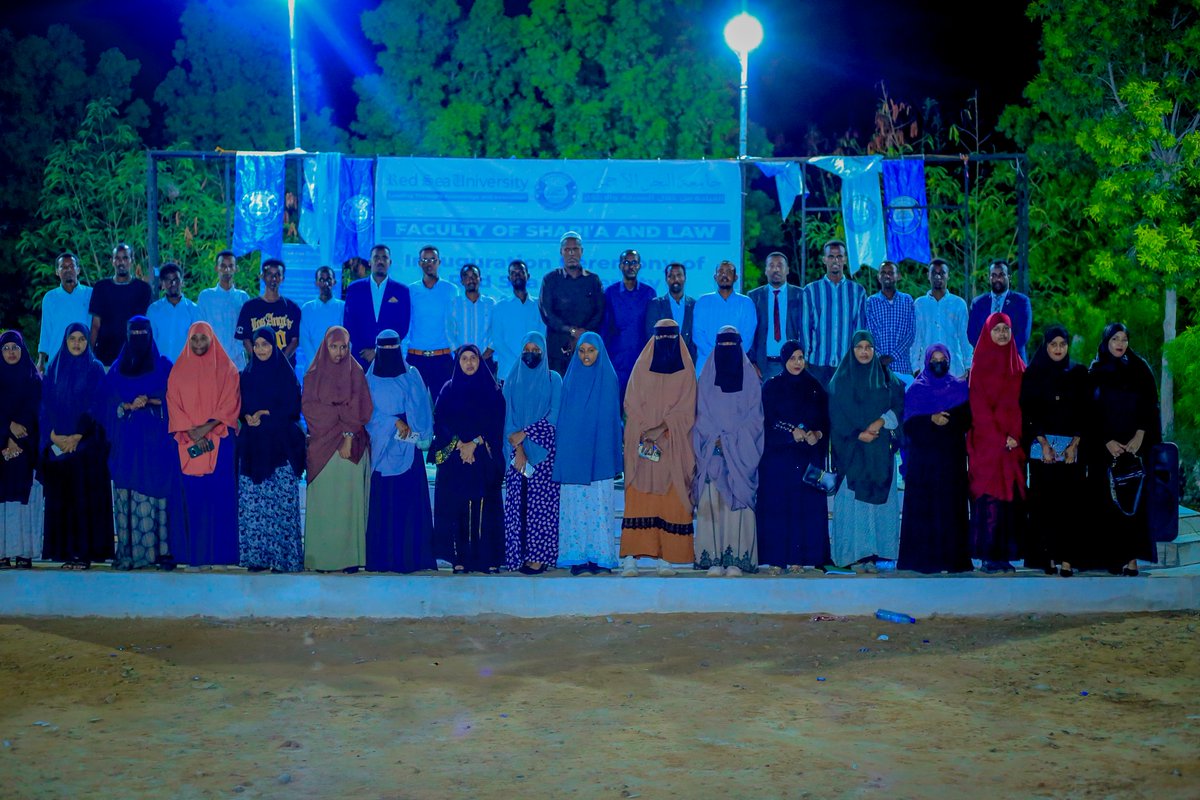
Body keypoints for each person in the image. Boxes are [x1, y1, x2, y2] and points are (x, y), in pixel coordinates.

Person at [620, 319, 697, 577]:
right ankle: (630, 558)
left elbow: (687, 409)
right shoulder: (642, 366)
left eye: (670, 338)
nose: (665, 342)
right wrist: (646, 432)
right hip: (644, 445)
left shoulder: (686, 369)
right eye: (661, 337)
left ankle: (667, 558)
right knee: (638, 501)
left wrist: (662, 429)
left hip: (673, 445)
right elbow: (631, 404)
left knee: (670, 501)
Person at [100, 317, 177, 570]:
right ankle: (129, 553)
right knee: (127, 493)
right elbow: (106, 403)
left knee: (155, 493)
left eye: (143, 334)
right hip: (126, 445)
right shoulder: (117, 369)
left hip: (156, 445)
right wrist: (124, 405)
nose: (138, 339)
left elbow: (176, 400)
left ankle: (160, 553)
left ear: (151, 334)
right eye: (134, 334)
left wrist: (151, 401)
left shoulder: (164, 366)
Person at [1086, 322, 1161, 576]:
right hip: (1105, 449)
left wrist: (1141, 434)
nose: (1120, 344)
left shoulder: (1139, 369)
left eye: (1124, 339)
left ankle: (1132, 559)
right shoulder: (1095, 371)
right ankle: (1112, 557)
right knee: (1108, 503)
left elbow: (1151, 406)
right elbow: (1089, 413)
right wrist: (1106, 441)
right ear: (1106, 341)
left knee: (1133, 503)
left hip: (1133, 448)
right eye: (1115, 339)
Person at [828, 330, 905, 572]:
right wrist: (857, 434)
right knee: (854, 508)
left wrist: (880, 422)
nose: (864, 352)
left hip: (878, 453)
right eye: (859, 347)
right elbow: (835, 416)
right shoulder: (841, 380)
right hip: (852, 453)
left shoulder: (885, 376)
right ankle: (853, 556)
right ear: (852, 350)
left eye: (869, 347)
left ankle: (874, 555)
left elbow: (898, 404)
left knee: (876, 510)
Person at [166, 321, 241, 568]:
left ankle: (220, 556)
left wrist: (205, 429)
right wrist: (191, 430)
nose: (199, 344)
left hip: (219, 442)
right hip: (189, 442)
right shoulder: (178, 370)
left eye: (203, 339)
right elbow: (173, 403)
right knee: (194, 499)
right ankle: (194, 556)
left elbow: (230, 402)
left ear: (212, 339)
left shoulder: (227, 369)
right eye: (194, 339)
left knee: (219, 498)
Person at [39, 323, 113, 569]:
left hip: (86, 446)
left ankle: (83, 554)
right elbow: (45, 404)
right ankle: (64, 552)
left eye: (82, 339)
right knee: (62, 498)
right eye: (73, 339)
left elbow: (98, 404)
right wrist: (53, 435)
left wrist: (78, 435)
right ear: (66, 341)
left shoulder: (94, 368)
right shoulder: (55, 367)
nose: (77, 343)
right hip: (59, 444)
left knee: (83, 499)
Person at [692, 327, 763, 576]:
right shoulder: (707, 376)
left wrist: (731, 441)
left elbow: (755, 420)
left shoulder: (750, 379)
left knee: (737, 501)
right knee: (713, 500)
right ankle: (713, 558)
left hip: (741, 455)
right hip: (713, 451)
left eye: (732, 345)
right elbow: (701, 415)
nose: (727, 350)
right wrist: (717, 440)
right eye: (723, 344)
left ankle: (737, 559)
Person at [896, 345, 973, 574]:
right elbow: (909, 425)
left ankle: (952, 561)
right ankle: (924, 562)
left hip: (951, 461)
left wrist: (946, 422)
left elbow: (966, 420)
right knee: (924, 510)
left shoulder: (959, 387)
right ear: (927, 361)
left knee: (951, 509)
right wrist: (931, 419)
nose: (938, 363)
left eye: (943, 359)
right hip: (924, 463)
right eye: (934, 359)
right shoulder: (916, 389)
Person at [302, 326, 373, 573]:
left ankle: (349, 559)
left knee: (347, 505)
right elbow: (310, 410)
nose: (339, 352)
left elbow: (362, 409)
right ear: (325, 347)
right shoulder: (313, 375)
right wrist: (342, 414)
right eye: (334, 346)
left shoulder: (356, 372)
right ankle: (321, 559)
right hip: (322, 447)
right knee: (325, 505)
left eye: (343, 347)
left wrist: (348, 435)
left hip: (349, 448)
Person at [430, 344, 506, 573]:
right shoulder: (448, 390)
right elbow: (440, 421)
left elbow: (496, 424)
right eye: (464, 359)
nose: (469, 363)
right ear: (458, 362)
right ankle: (459, 557)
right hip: (456, 457)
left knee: (485, 505)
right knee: (458, 505)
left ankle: (487, 557)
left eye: (473, 358)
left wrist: (474, 443)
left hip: (482, 456)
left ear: (480, 361)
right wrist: (461, 445)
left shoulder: (492, 390)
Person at [364, 330, 435, 574]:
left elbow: (423, 409)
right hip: (382, 448)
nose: (389, 353)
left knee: (408, 503)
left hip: (408, 447)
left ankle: (411, 559)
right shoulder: (369, 379)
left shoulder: (412, 374)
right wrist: (392, 422)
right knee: (384, 504)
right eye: (384, 348)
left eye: (393, 348)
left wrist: (411, 424)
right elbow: (366, 412)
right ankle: (383, 559)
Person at [236, 326, 306, 573]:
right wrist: (247, 416)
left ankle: (282, 559)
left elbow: (293, 407)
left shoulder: (284, 374)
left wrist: (267, 414)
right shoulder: (246, 375)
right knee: (255, 505)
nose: (261, 349)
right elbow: (240, 405)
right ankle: (257, 558)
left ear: (274, 346)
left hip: (280, 448)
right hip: (254, 448)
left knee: (280, 504)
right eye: (257, 345)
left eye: (265, 344)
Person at [1020, 325, 1088, 577]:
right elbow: (1028, 410)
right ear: (1046, 346)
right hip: (1043, 450)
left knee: (1069, 506)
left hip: (1072, 450)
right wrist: (1044, 444)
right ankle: (1046, 557)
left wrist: (1074, 444)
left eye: (1062, 344)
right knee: (1044, 504)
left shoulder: (1078, 373)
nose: (1058, 349)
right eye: (1053, 344)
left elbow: (1086, 411)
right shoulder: (1034, 374)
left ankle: (1068, 560)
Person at [756, 341, 831, 573]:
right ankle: (777, 560)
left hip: (807, 459)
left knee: (803, 507)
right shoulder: (772, 387)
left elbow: (825, 422)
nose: (797, 363)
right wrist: (790, 434)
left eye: (800, 358)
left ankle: (799, 558)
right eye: (792, 358)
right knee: (778, 508)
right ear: (783, 360)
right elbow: (766, 422)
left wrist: (817, 434)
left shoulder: (815, 387)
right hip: (779, 461)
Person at [553, 332, 623, 575]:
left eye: (591, 351)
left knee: (599, 506)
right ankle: (578, 557)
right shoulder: (571, 378)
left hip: (599, 454)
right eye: (582, 351)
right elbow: (564, 419)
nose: (586, 356)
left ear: (599, 352)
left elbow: (612, 421)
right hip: (574, 454)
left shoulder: (608, 378)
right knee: (576, 507)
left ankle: (600, 557)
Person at [967, 312, 1026, 573]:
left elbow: (1025, 406)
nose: (1002, 334)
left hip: (1013, 447)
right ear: (987, 333)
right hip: (987, 446)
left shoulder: (1019, 367)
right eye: (997, 329)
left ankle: (1004, 555)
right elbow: (978, 410)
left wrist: (1016, 436)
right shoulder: (979, 367)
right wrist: (1001, 438)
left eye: (1006, 329)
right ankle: (988, 556)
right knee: (989, 500)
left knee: (1008, 503)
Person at [501, 332, 563, 574]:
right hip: (516, 454)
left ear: (544, 352)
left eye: (536, 350)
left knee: (542, 508)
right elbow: (508, 418)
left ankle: (539, 557)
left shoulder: (553, 379)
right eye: (527, 349)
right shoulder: (512, 379)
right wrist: (519, 449)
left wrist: (526, 433)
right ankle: (518, 556)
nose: (531, 354)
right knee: (518, 505)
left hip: (545, 453)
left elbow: (554, 415)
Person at [0, 331, 42, 570]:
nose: (11, 352)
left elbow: (35, 412)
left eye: (15, 347)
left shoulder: (33, 379)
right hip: (2, 449)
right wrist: (7, 432)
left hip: (26, 449)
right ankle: (3, 552)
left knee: (25, 502)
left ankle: (24, 553)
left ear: (22, 350)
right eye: (6, 348)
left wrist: (17, 439)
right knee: (3, 502)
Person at [803, 240, 866, 388]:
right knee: (818, 403)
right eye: (831, 256)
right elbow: (805, 329)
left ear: (845, 259)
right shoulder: (811, 291)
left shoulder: (858, 292)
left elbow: (860, 331)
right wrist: (804, 360)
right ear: (824, 260)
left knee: (845, 403)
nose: (835, 260)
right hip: (817, 364)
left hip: (847, 365)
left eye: (839, 256)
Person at [539, 231, 605, 374]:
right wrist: (572, 331)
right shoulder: (550, 280)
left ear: (582, 251)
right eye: (567, 250)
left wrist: (583, 333)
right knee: (558, 387)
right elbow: (547, 313)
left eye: (575, 249)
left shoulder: (593, 280)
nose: (571, 254)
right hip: (557, 351)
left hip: (587, 348)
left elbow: (599, 312)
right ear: (561, 252)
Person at [344, 244, 412, 369]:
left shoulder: (401, 291)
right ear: (369, 262)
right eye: (376, 258)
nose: (380, 261)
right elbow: (349, 323)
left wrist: (379, 351)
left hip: (390, 356)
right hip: (361, 356)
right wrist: (366, 351)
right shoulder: (355, 289)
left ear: (390, 262)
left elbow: (403, 326)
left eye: (384, 258)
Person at [601, 249, 656, 400]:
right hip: (616, 360)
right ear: (620, 266)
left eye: (634, 263)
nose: (631, 266)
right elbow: (605, 328)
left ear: (639, 266)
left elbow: (652, 329)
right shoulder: (610, 293)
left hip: (642, 359)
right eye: (626, 262)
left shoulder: (649, 293)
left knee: (641, 404)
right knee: (614, 403)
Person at [406, 244, 459, 394]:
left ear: (439, 262)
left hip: (442, 358)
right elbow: (407, 324)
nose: (429, 263)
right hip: (416, 358)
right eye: (425, 260)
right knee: (415, 404)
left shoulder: (451, 289)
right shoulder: (410, 290)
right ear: (419, 263)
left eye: (432, 260)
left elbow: (456, 324)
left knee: (444, 405)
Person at [89, 243, 153, 367]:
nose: (121, 262)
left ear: (132, 260)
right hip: (105, 357)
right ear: (112, 261)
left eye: (125, 258)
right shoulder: (101, 288)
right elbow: (96, 325)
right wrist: (90, 355)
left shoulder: (143, 289)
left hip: (134, 359)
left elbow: (146, 325)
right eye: (117, 258)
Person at [910, 258, 973, 378]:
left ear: (948, 276)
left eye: (942, 273)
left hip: (955, 370)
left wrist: (968, 367)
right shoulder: (919, 304)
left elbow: (965, 338)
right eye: (934, 273)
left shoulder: (958, 304)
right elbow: (916, 338)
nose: (938, 276)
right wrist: (915, 368)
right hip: (927, 370)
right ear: (928, 276)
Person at [692, 260, 756, 374]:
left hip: (736, 364)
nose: (724, 275)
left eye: (729, 272)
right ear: (715, 277)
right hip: (707, 365)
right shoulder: (702, 302)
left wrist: (731, 356)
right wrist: (717, 355)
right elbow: (698, 335)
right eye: (720, 272)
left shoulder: (746, 303)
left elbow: (748, 337)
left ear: (736, 277)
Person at [748, 252, 804, 380]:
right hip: (763, 366)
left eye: (780, 265)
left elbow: (807, 330)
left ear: (787, 270)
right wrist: (752, 362)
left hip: (794, 364)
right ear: (766, 270)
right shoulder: (754, 296)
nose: (776, 269)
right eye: (771, 266)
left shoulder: (800, 295)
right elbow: (749, 332)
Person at [235, 258, 302, 364]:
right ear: (262, 276)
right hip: (258, 369)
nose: (273, 278)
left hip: (284, 369)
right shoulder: (249, 307)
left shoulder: (292, 308)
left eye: (277, 275)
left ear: (283, 278)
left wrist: (280, 362)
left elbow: (295, 340)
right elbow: (245, 339)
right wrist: (258, 360)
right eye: (269, 274)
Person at [967, 259, 1033, 364]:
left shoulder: (1021, 302)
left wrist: (1001, 354)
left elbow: (1023, 335)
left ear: (1009, 277)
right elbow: (972, 334)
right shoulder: (978, 303)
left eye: (1001, 275)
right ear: (989, 278)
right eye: (993, 275)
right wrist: (989, 353)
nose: (997, 279)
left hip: (1013, 362)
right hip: (986, 362)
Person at [490, 259, 546, 381]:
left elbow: (542, 338)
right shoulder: (500, 307)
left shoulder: (539, 306)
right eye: (513, 273)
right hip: (508, 372)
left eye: (520, 272)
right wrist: (519, 362)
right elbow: (497, 341)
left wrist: (530, 361)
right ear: (509, 278)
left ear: (528, 276)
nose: (517, 275)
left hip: (534, 371)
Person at [37, 252, 93, 371]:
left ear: (78, 270)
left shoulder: (90, 294)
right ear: (57, 272)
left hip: (85, 362)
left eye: (72, 266)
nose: (68, 270)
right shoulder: (50, 298)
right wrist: (41, 361)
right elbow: (45, 331)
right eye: (63, 267)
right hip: (57, 362)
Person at [197, 250, 250, 371]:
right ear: (216, 268)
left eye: (231, 266)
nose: (227, 270)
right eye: (223, 266)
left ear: (236, 269)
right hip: (212, 362)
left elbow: (247, 331)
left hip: (238, 362)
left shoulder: (243, 298)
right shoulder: (206, 297)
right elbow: (201, 330)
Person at [864, 260, 916, 384]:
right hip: (877, 369)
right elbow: (869, 333)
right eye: (883, 273)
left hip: (902, 367)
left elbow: (911, 333)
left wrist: (892, 356)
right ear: (878, 277)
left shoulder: (907, 300)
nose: (887, 276)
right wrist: (880, 357)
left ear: (898, 276)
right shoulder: (871, 302)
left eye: (891, 273)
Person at [296, 266, 346, 378]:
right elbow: (304, 339)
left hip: (338, 368)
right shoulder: (307, 308)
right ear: (316, 283)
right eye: (321, 280)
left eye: (329, 279)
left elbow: (347, 338)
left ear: (334, 282)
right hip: (313, 369)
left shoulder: (343, 307)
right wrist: (316, 363)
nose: (325, 283)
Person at [146, 262, 200, 362]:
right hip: (160, 366)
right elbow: (149, 342)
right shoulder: (154, 310)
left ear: (182, 282)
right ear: (162, 283)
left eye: (176, 280)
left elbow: (198, 343)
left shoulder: (193, 310)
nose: (173, 284)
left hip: (186, 366)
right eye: (168, 280)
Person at [643, 262, 697, 363]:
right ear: (666, 279)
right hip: (662, 362)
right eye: (671, 276)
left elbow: (696, 338)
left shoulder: (694, 305)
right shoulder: (655, 304)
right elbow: (651, 335)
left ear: (685, 278)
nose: (675, 279)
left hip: (688, 363)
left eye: (679, 275)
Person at [450, 263, 496, 376]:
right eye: (467, 276)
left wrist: (485, 355)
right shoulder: (454, 304)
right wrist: (463, 356)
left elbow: (497, 331)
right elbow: (449, 332)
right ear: (462, 281)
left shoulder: (490, 304)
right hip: (460, 361)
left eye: (474, 276)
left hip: (486, 360)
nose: (471, 279)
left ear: (480, 279)